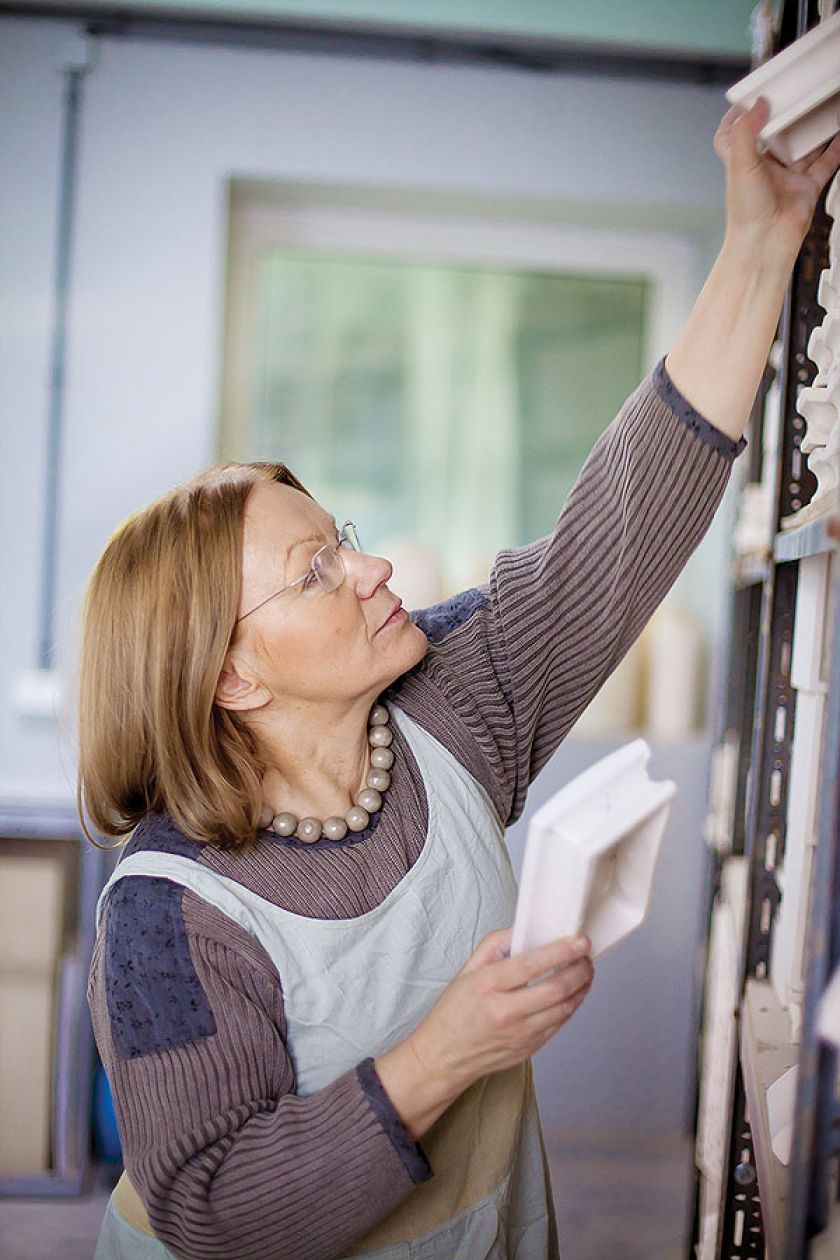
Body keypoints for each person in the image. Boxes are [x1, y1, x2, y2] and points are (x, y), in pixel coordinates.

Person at [82, 102, 840, 1260]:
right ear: (230, 674)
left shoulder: (453, 699)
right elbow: (214, 1208)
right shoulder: (168, 914)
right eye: (318, 572)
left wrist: (760, 240)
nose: (372, 567)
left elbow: (620, 527)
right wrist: (440, 1058)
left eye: (342, 533)